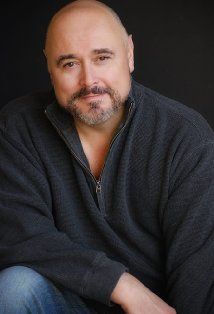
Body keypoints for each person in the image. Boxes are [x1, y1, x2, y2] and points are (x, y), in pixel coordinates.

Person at [0, 0, 213, 313]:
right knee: (14, 287)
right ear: (49, 66)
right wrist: (122, 285)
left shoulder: (186, 139)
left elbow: (199, 279)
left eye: (102, 57)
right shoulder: (18, 128)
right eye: (69, 63)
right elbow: (17, 236)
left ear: (129, 54)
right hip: (64, 305)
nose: (89, 82)